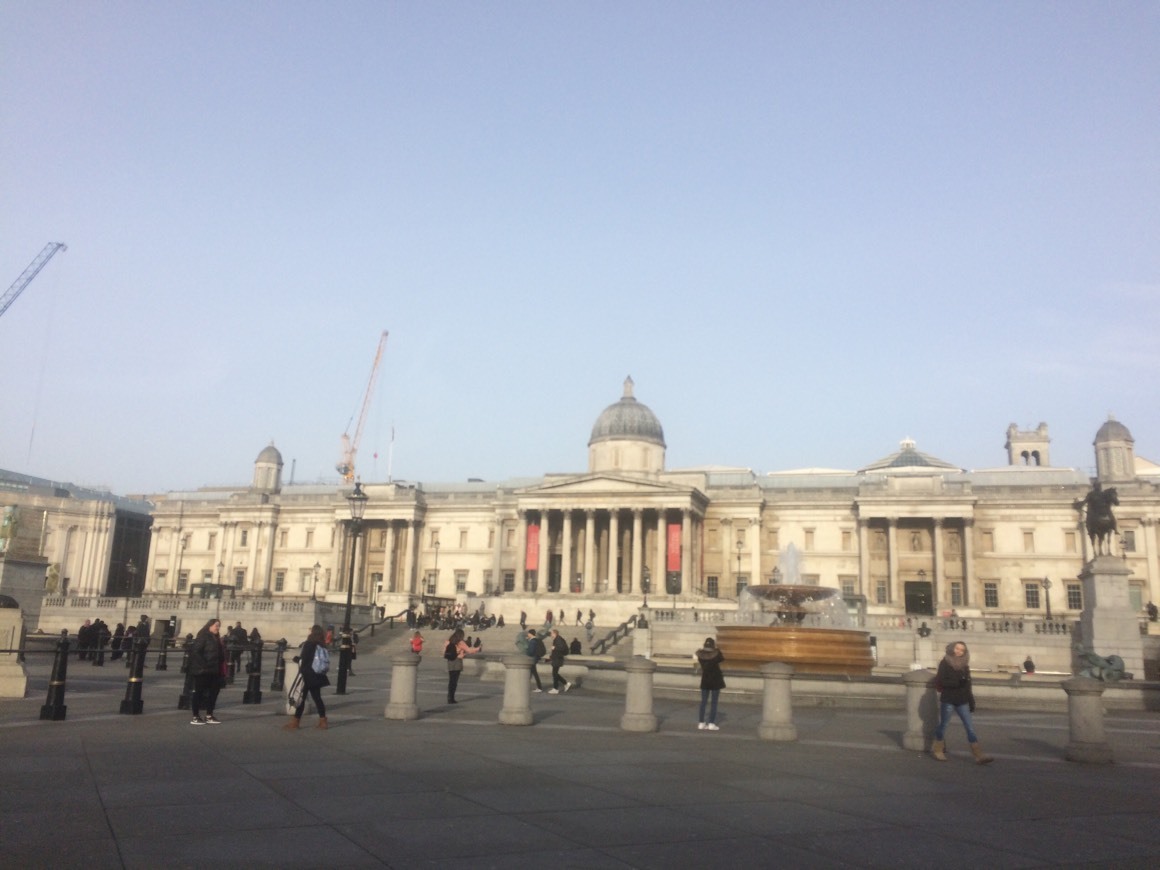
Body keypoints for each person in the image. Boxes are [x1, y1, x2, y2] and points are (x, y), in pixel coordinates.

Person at [932, 641, 993, 764]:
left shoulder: (965, 665)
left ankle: (978, 754)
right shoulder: (945, 663)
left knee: (970, 727)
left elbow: (968, 684)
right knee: (943, 725)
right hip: (948, 698)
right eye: (957, 648)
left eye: (962, 650)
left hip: (962, 700)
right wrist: (957, 682)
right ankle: (938, 749)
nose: (959, 651)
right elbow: (942, 681)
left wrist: (971, 700)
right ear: (952, 649)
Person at [284, 624, 329, 730]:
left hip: (307, 675)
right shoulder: (321, 645)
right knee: (317, 698)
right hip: (317, 675)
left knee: (301, 698)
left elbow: (303, 660)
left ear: (312, 632)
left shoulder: (309, 643)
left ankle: (295, 722)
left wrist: (295, 659)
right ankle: (323, 721)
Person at [188, 618, 225, 725]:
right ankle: (195, 716)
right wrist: (204, 665)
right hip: (203, 670)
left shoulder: (216, 638)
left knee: (214, 692)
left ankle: (209, 714)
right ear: (210, 626)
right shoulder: (203, 636)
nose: (218, 628)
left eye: (219, 626)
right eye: (216, 625)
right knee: (199, 693)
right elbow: (196, 651)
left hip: (214, 669)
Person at [695, 637, 725, 730]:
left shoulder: (701, 656)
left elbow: (700, 656)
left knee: (703, 702)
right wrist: (717, 649)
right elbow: (722, 658)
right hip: (715, 680)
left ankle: (701, 722)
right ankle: (711, 723)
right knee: (714, 702)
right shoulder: (716, 655)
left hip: (705, 680)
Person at [444, 628, 479, 704]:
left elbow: (443, 652)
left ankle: (449, 697)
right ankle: (452, 698)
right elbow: (470, 650)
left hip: (450, 661)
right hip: (457, 661)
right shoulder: (460, 643)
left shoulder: (448, 642)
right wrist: (478, 648)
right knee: (455, 680)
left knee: (451, 680)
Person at [547, 628, 572, 694]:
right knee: (555, 673)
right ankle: (565, 683)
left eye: (552, 633)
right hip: (557, 658)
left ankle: (556, 688)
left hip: (557, 659)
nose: (551, 634)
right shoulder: (557, 639)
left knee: (554, 674)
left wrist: (555, 648)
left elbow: (562, 648)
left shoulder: (558, 639)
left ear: (555, 633)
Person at [525, 628, 546, 692]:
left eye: (528, 633)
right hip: (534, 659)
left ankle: (539, 688)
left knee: (533, 673)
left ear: (530, 634)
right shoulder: (535, 640)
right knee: (531, 673)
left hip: (532, 659)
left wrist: (526, 652)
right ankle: (528, 686)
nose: (527, 634)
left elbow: (531, 651)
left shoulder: (532, 641)